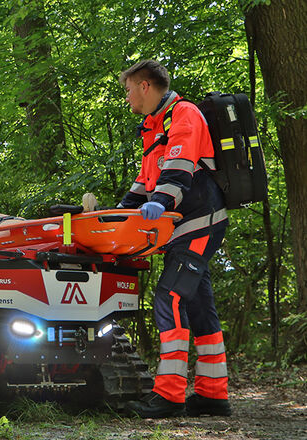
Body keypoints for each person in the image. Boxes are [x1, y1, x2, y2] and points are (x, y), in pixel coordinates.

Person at [117, 60, 230, 418]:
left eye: (128, 89)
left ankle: (169, 395)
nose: (127, 97)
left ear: (145, 86)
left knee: (169, 297)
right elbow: (143, 183)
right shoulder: (154, 128)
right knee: (198, 306)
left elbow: (178, 170)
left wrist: (161, 202)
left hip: (199, 223)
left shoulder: (184, 114)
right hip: (183, 228)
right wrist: (118, 214)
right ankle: (213, 395)